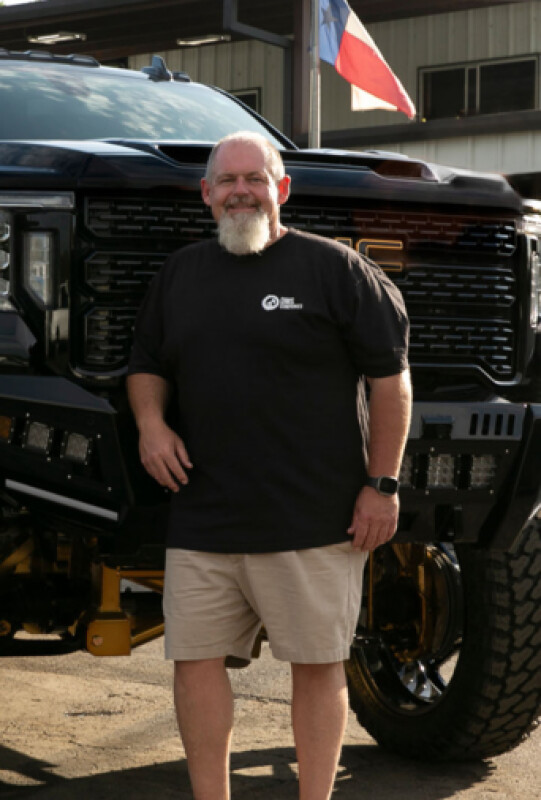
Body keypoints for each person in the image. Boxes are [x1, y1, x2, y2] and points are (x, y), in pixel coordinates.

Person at [127, 131, 412, 800]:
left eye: (255, 179)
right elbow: (146, 364)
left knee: (316, 665)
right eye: (227, 181)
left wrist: (381, 485)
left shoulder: (335, 270)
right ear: (206, 194)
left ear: (281, 189)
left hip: (311, 518)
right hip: (203, 515)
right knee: (194, 662)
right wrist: (151, 426)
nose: (241, 192)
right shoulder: (181, 274)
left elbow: (390, 380)